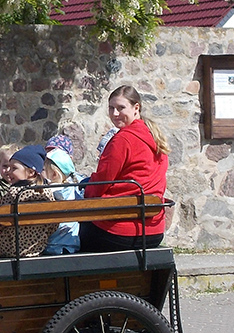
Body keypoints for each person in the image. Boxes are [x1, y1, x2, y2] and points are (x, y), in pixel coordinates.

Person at [80, 85, 170, 252]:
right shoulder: (155, 137)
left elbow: (101, 182)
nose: (115, 113)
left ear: (136, 108)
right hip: (154, 230)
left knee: (77, 230)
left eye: (121, 108)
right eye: (111, 108)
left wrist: (85, 193)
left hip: (120, 231)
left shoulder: (122, 140)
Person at [0, 145, 57, 258]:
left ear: (31, 172)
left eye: (14, 168)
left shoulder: (14, 193)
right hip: (36, 248)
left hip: (7, 248)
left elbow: (0, 221)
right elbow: (53, 224)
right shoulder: (47, 193)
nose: (9, 171)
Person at [42, 147, 82, 255]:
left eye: (43, 170)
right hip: (71, 243)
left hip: (51, 244)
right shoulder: (73, 189)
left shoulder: (50, 190)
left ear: (54, 174)